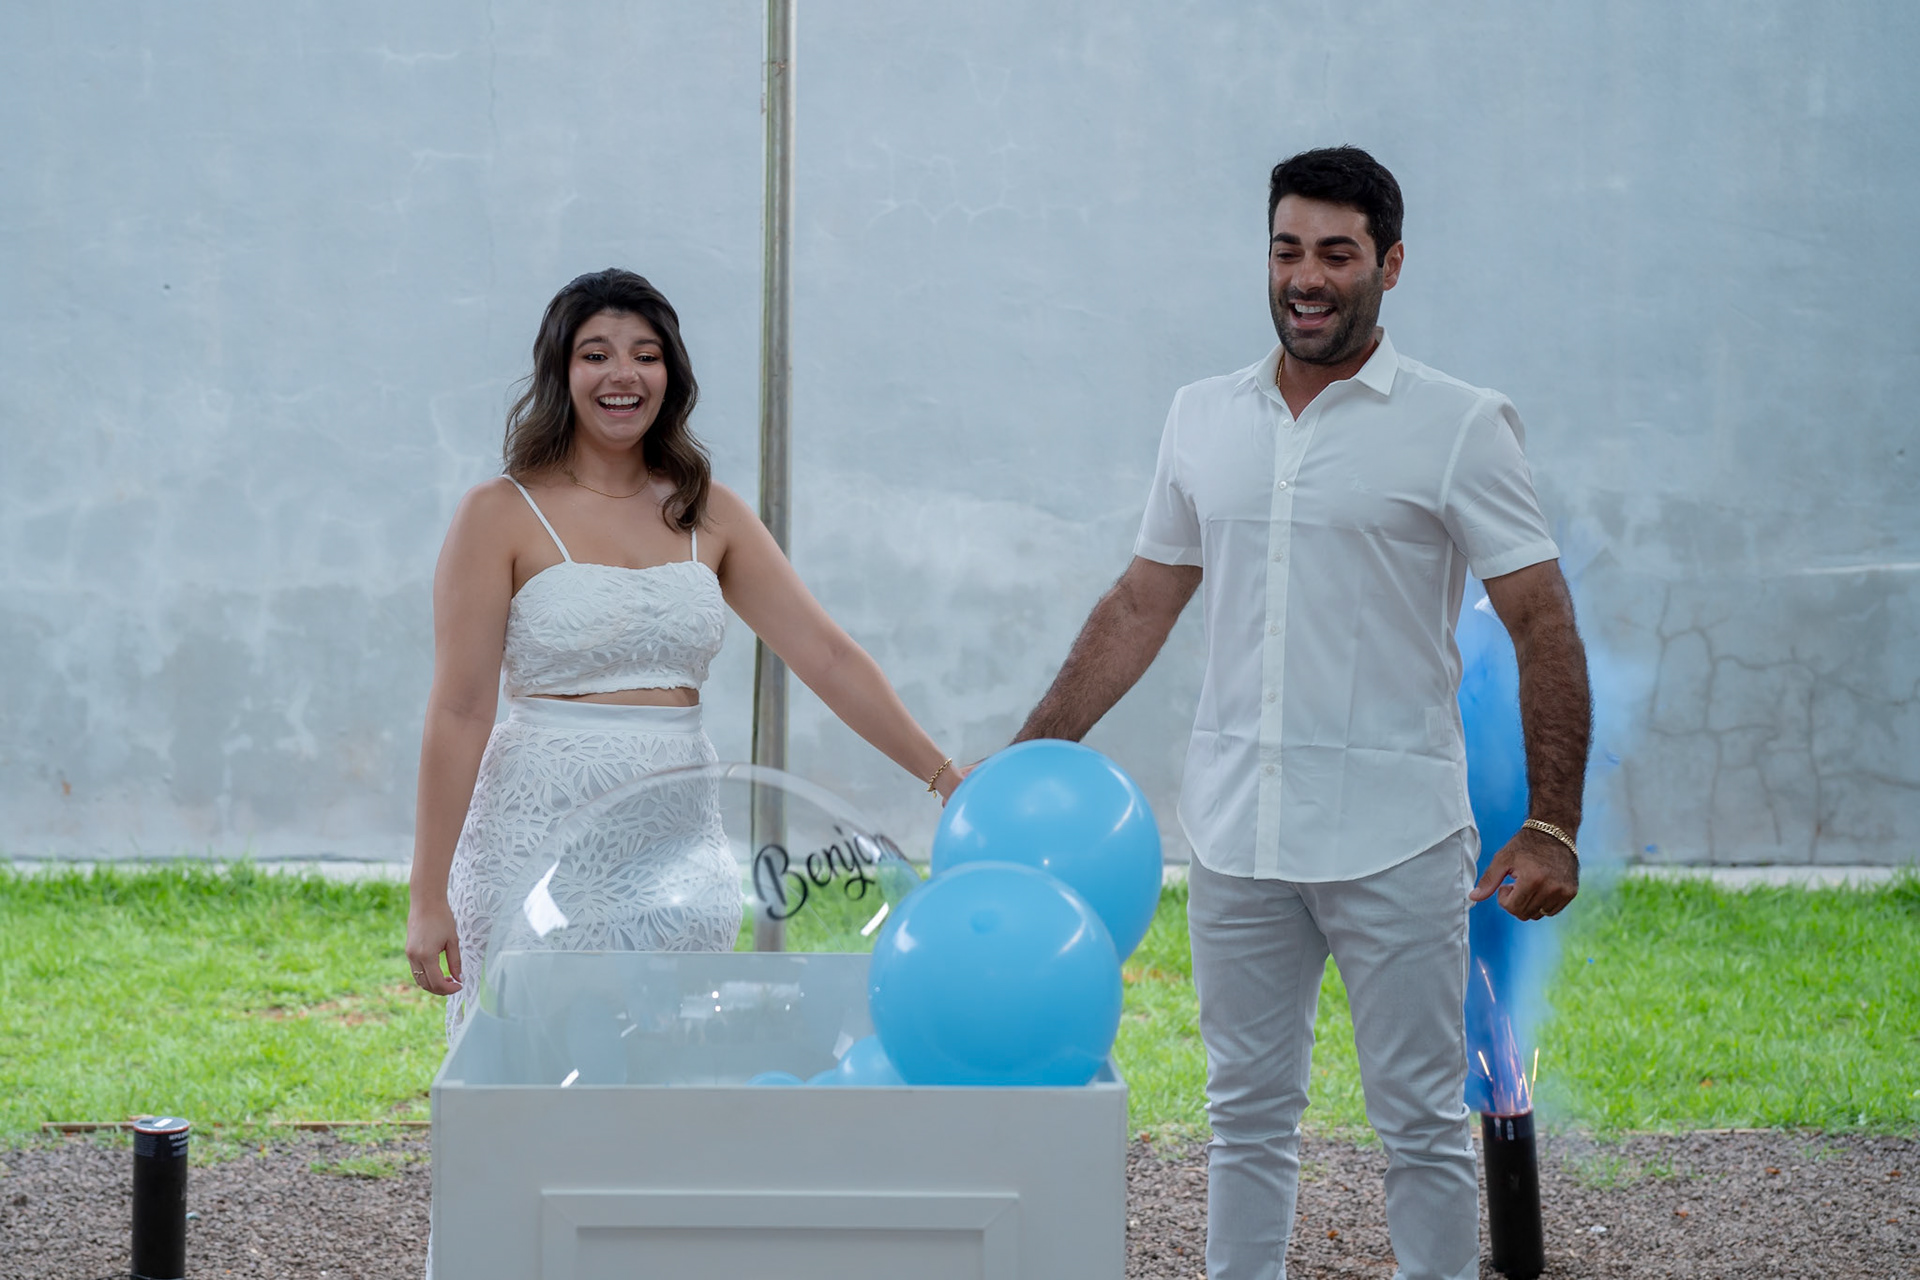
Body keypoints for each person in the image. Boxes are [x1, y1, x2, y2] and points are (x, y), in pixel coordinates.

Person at [1014, 148, 1590, 1280]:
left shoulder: (1461, 424)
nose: (1307, 277)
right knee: (1244, 1116)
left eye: (1337, 252)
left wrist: (1553, 821)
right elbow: (1141, 601)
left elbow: (1542, 620)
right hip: (1237, 833)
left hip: (1398, 834)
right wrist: (1029, 754)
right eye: (1287, 251)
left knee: (1419, 1120)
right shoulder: (1201, 415)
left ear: (1391, 264)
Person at [406, 268, 963, 1036]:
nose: (623, 375)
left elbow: (827, 657)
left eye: (646, 355)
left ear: (671, 374)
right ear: (560, 372)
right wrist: (426, 893)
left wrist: (944, 776)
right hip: (535, 841)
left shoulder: (711, 512)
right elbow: (460, 710)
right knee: (537, 1066)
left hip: (677, 849)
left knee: (671, 1057)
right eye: (596, 355)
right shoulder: (498, 513)